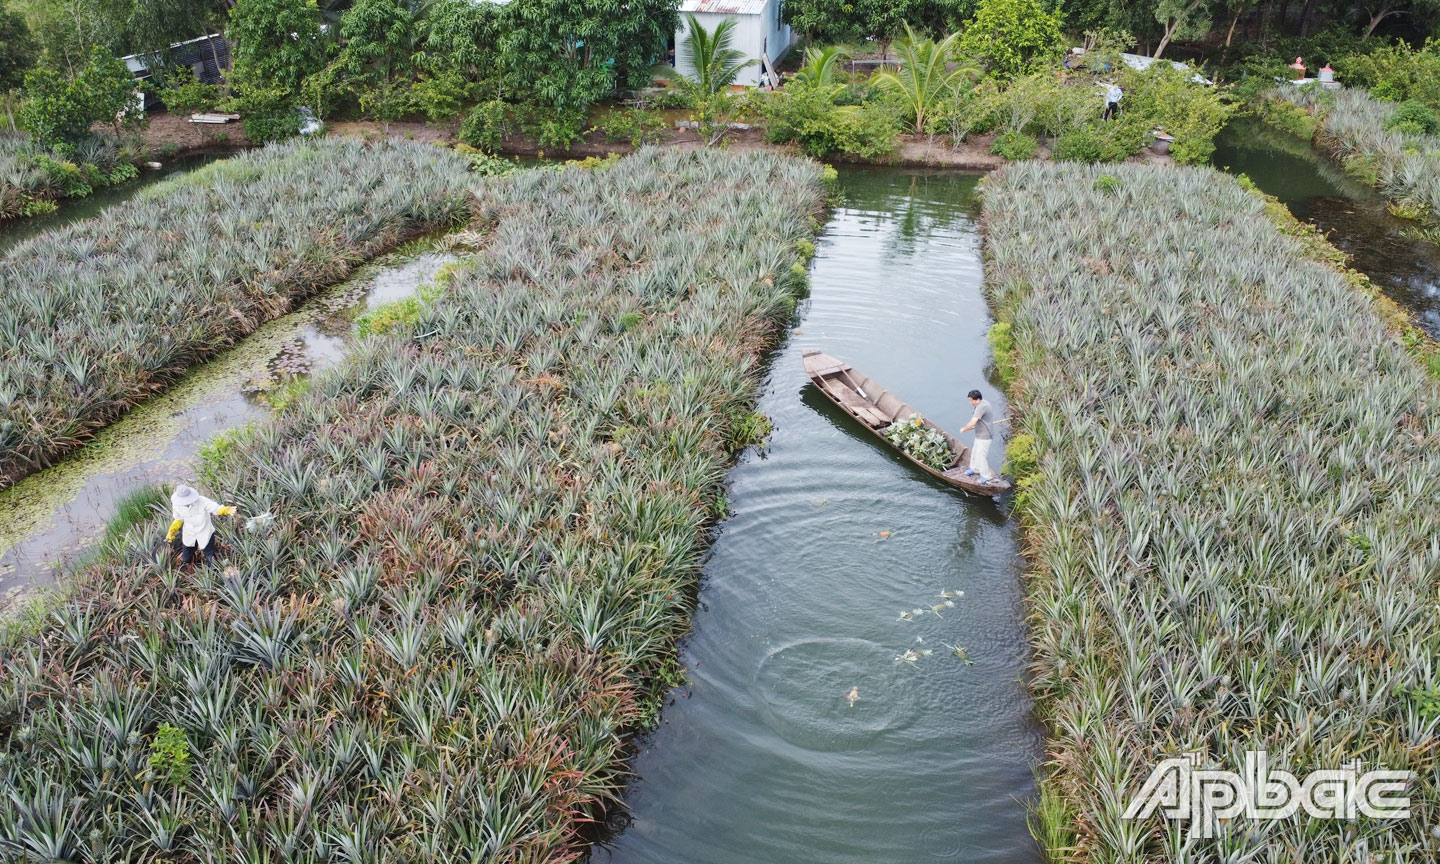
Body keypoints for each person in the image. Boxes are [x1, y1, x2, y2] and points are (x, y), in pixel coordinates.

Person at [166, 484, 235, 566]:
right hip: (189, 534)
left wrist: (225, 510)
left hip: (205, 532)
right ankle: (189, 564)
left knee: (209, 555)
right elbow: (178, 519)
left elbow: (215, 508)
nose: (186, 503)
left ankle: (212, 570)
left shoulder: (202, 501)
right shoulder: (177, 505)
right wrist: (171, 531)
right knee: (186, 557)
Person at [959, 389, 998, 484]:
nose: (970, 403)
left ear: (976, 399)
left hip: (985, 435)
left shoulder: (982, 407)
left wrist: (964, 429)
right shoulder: (982, 403)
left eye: (970, 400)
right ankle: (975, 469)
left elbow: (973, 422)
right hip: (979, 434)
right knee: (975, 452)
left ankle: (986, 476)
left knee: (981, 456)